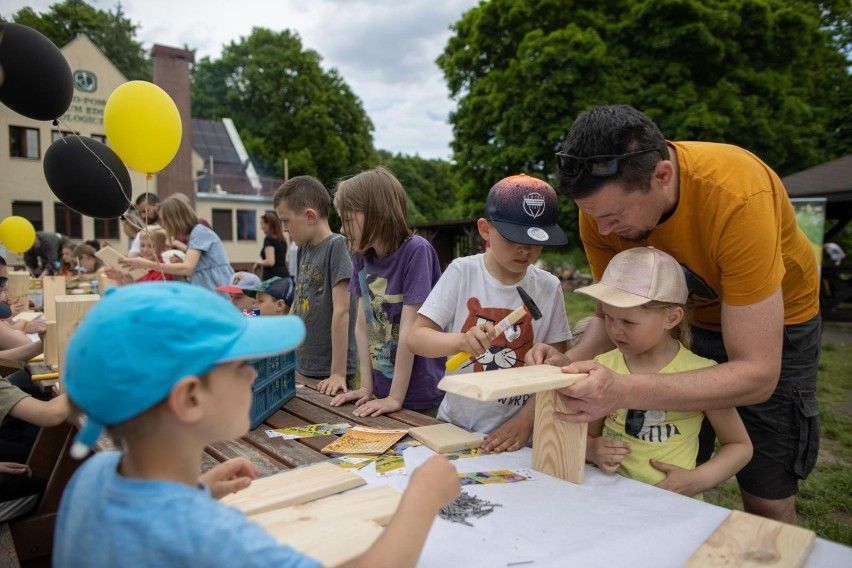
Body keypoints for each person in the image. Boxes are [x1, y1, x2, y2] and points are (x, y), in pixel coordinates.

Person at [532, 104, 821, 524]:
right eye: (595, 217)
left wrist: (624, 390)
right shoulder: (600, 211)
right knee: (669, 473)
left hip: (778, 322)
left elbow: (757, 375)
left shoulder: (737, 194)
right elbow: (608, 320)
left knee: (765, 496)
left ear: (662, 176)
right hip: (678, 320)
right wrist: (569, 364)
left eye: (613, 217)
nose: (604, 231)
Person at [53, 283, 459, 568]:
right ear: (190, 399)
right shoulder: (213, 537)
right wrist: (423, 495)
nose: (252, 375)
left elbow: (143, 523)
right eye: (241, 364)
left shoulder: (93, 474)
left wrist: (200, 491)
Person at [407, 174, 573, 450]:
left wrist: (525, 421)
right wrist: (460, 342)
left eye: (536, 241)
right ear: (485, 229)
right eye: (514, 238)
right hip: (456, 425)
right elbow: (417, 338)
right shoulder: (463, 272)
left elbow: (558, 368)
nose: (525, 250)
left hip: (519, 437)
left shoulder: (548, 287)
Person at [576, 247, 752, 497]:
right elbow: (586, 435)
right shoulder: (603, 365)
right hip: (609, 500)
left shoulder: (702, 374)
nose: (615, 330)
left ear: (672, 318)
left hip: (672, 507)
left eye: (628, 322)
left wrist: (698, 480)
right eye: (608, 317)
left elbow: (739, 445)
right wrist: (592, 449)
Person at [326, 168, 444, 417]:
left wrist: (395, 397)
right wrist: (366, 386)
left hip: (420, 395)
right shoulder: (361, 256)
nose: (343, 229)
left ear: (377, 215)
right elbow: (362, 326)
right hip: (383, 394)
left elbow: (410, 332)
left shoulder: (416, 252)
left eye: (347, 219)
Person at [274, 176, 359, 394]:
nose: (284, 228)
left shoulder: (336, 246)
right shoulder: (304, 248)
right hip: (304, 364)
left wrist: (338, 373)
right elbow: (299, 300)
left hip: (331, 371)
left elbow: (342, 311)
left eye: (286, 221)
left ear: (309, 216)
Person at [120, 195, 234, 294]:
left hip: (220, 293)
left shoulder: (199, 232)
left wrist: (149, 264)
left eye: (164, 220)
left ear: (174, 220)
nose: (163, 225)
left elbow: (187, 268)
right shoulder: (194, 235)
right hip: (212, 293)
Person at [105, 228, 173, 285]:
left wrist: (131, 285)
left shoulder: (163, 272)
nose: (145, 250)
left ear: (162, 247)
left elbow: (152, 297)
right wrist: (119, 277)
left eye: (151, 246)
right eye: (142, 245)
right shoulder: (136, 266)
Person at [254, 211, 292, 282]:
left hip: (272, 280)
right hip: (285, 278)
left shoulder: (269, 239)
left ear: (268, 224)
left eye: (262, 224)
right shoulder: (282, 240)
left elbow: (270, 262)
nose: (261, 228)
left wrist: (258, 262)